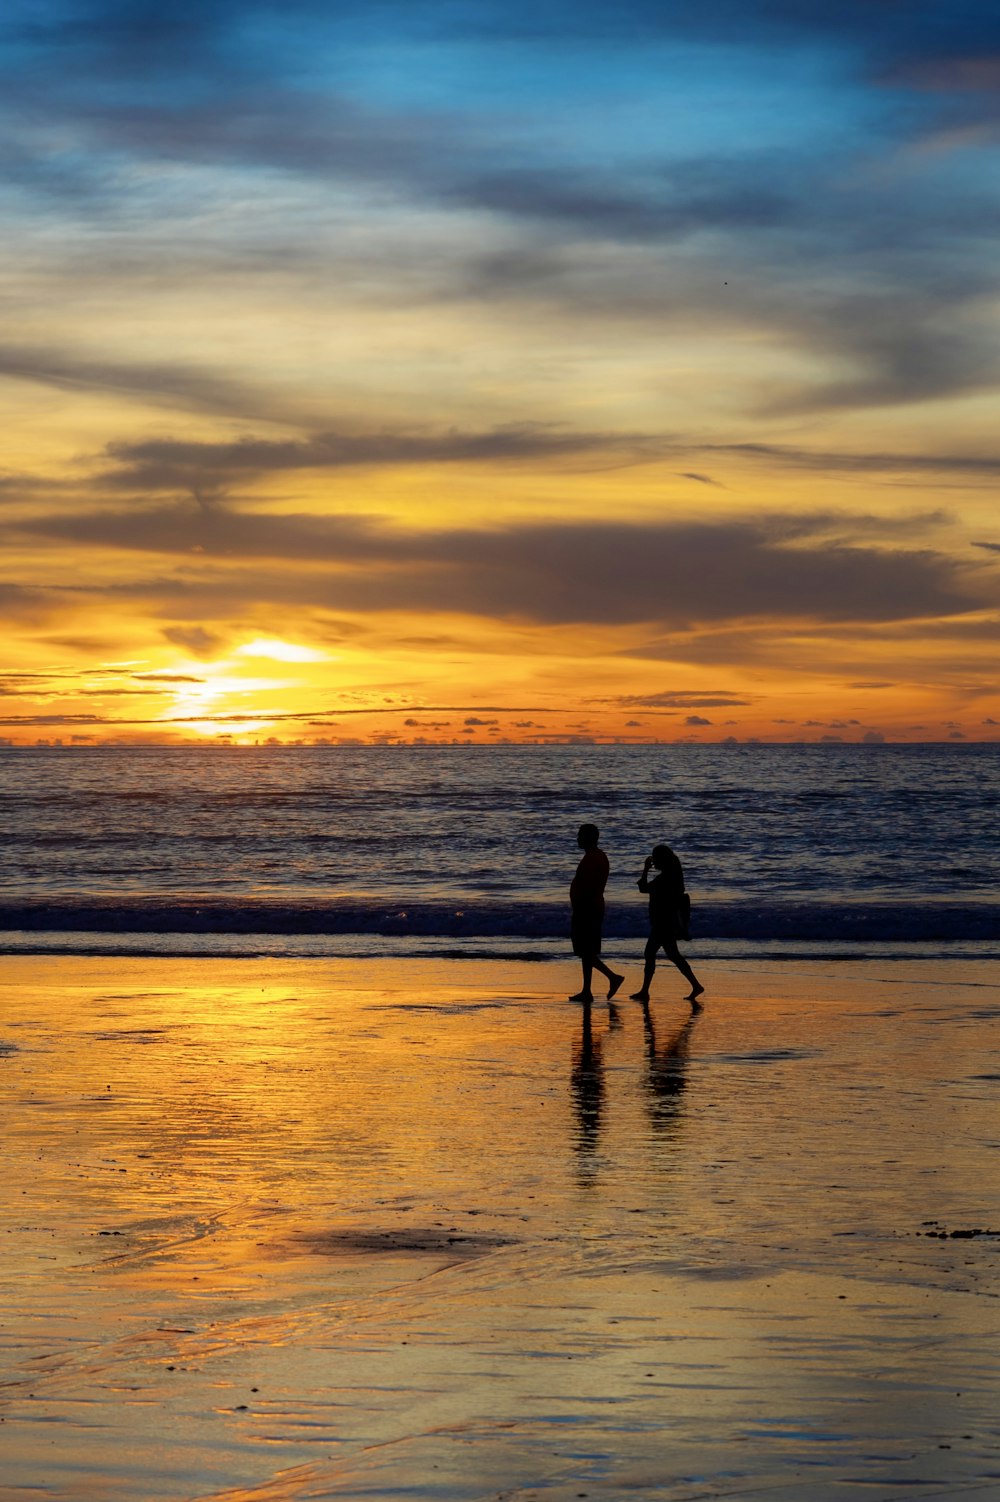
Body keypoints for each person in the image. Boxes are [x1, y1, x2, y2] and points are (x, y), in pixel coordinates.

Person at [630, 842, 704, 1006]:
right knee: (673, 956)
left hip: (662, 923)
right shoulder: (674, 876)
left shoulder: (665, 879)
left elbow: (643, 889)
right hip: (666, 923)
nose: (654, 861)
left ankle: (645, 991)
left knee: (651, 954)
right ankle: (696, 985)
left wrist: (645, 869)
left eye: (655, 858)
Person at [569, 823, 624, 1003]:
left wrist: (580, 905)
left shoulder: (593, 858)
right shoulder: (595, 856)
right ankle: (587, 990)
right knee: (587, 951)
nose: (577, 838)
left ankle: (612, 977)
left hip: (588, 909)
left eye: (580, 835)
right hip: (590, 907)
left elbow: (590, 886)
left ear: (588, 838)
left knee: (586, 951)